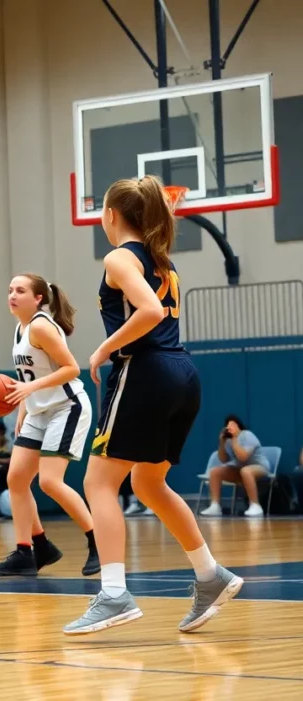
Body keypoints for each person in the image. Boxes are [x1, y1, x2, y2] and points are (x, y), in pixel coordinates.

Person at [63, 176, 242, 635]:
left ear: (111, 215)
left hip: (144, 371)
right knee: (149, 482)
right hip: (183, 372)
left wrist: (104, 350)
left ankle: (114, 593)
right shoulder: (163, 262)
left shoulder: (119, 256)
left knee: (98, 482)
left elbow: (149, 312)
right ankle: (209, 575)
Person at [0, 274, 99, 578]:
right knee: (17, 480)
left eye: (20, 290)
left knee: (50, 482)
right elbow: (29, 374)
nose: (12, 295)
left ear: (38, 298)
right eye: (10, 290)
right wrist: (25, 405)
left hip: (67, 407)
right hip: (39, 411)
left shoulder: (40, 325)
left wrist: (29, 391)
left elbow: (71, 369)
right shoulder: (20, 328)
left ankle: (97, 540)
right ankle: (31, 550)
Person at [200, 415, 271, 517]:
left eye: (233, 424)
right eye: (228, 425)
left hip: (259, 466)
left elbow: (243, 457)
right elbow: (223, 459)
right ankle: (215, 506)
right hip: (240, 469)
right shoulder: (228, 441)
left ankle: (255, 505)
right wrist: (222, 442)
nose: (230, 427)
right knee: (215, 472)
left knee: (246, 471)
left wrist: (234, 439)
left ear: (238, 426)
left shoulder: (247, 435)